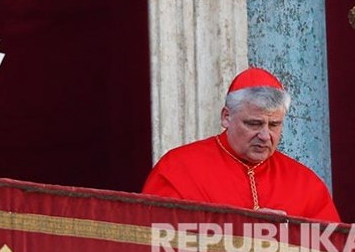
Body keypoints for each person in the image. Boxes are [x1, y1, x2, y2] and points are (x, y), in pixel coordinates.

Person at [142, 67, 340, 221]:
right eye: (254, 124)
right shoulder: (178, 169)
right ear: (226, 117)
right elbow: (156, 241)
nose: (265, 135)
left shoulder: (305, 183)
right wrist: (239, 232)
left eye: (274, 125)